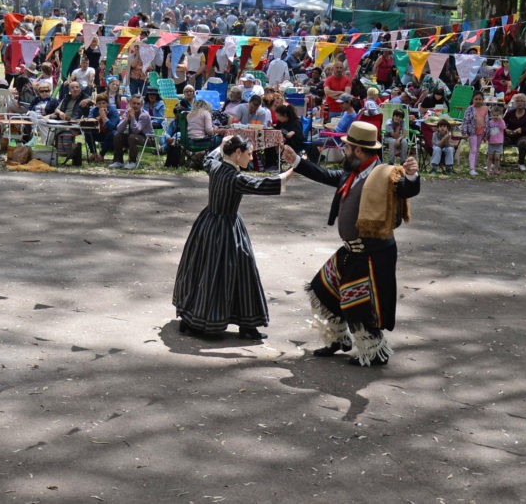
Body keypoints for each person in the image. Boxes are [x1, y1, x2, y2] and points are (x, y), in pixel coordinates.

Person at [281, 122, 421, 367]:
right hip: (350, 250)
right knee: (322, 289)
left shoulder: (387, 174)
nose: (343, 151)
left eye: (347, 148)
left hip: (374, 252)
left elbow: (408, 189)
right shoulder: (352, 172)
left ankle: (375, 352)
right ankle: (338, 340)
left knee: (359, 304)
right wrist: (297, 163)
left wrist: (411, 174)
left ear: (358, 150)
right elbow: (326, 175)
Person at [173, 135, 296, 339]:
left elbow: (209, 159)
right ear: (237, 154)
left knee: (205, 269)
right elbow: (264, 184)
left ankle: (202, 319)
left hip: (208, 223)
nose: (250, 158)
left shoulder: (216, 166)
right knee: (225, 271)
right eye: (248, 154)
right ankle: (208, 321)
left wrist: (221, 146)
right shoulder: (235, 178)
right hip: (225, 227)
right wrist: (294, 170)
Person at [111, 94, 154, 170]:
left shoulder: (144, 115)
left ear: (141, 105)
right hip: (133, 137)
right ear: (130, 103)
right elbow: (119, 129)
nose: (135, 106)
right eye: (134, 103)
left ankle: (132, 162)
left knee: (132, 137)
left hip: (148, 138)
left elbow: (136, 130)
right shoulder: (128, 112)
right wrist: (126, 119)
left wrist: (133, 117)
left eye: (138, 104)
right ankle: (118, 161)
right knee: (117, 135)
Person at [503, 93, 526, 172]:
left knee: (523, 142)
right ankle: (493, 161)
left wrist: (522, 129)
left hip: (522, 135)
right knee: (498, 140)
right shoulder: (510, 113)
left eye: (522, 101)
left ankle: (521, 163)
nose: (520, 103)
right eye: (517, 101)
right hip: (510, 135)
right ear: (515, 103)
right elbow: (502, 124)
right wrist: (506, 130)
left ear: (525, 103)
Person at [460, 91, 489, 176]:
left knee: (477, 149)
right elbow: (465, 121)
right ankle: (471, 169)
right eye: (476, 99)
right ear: (473, 99)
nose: (478, 101)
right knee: (473, 150)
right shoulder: (470, 109)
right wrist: (464, 132)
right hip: (472, 132)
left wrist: (486, 134)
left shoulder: (485, 109)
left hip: (481, 132)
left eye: (480, 99)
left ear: (483, 100)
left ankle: (474, 167)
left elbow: (487, 121)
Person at [486, 102, 507, 175]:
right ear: (491, 115)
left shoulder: (501, 122)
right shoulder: (490, 122)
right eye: (494, 115)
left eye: (497, 115)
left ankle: (496, 169)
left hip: (499, 142)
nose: (495, 117)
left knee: (497, 158)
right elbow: (487, 131)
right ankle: (488, 169)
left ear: (500, 115)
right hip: (491, 142)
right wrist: (486, 137)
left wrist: (500, 120)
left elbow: (503, 127)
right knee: (490, 157)